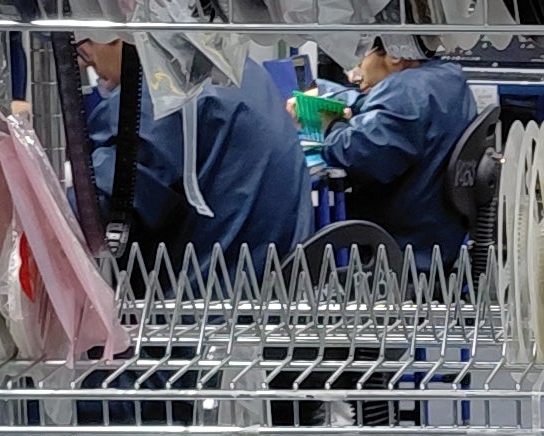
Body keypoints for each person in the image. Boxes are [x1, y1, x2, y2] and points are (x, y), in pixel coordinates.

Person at [76, 39, 308, 266]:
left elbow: (92, 214)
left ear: (115, 36)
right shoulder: (248, 74)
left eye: (86, 50)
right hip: (273, 287)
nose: (87, 64)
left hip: (203, 295)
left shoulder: (155, 101)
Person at [319, 35, 483, 262]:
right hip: (438, 236)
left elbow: (356, 155)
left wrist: (329, 126)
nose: (354, 73)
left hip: (400, 248)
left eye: (360, 57)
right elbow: (386, 112)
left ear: (394, 54)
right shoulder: (448, 77)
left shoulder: (404, 91)